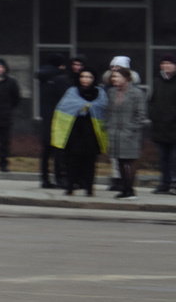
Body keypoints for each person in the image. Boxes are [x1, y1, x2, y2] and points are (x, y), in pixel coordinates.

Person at [50, 67, 104, 197]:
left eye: (89, 77)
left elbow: (104, 109)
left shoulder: (99, 93)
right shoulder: (72, 92)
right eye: (83, 77)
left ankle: (89, 188)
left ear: (94, 79)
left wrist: (90, 108)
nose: (85, 80)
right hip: (74, 130)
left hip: (92, 132)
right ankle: (70, 187)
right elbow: (63, 109)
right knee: (72, 161)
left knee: (90, 162)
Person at [36, 54, 83, 190]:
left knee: (46, 150)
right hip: (59, 118)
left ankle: (45, 179)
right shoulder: (61, 79)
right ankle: (60, 178)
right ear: (61, 66)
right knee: (59, 150)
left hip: (46, 117)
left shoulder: (44, 78)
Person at [101, 63, 147, 200]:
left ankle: (130, 189)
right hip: (115, 132)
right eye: (113, 77)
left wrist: (132, 128)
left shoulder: (137, 93)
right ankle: (124, 189)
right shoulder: (111, 92)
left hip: (130, 133)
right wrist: (108, 125)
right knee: (119, 161)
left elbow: (141, 114)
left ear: (126, 78)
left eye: (117, 76)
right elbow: (108, 111)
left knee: (129, 161)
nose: (114, 79)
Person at [150, 56, 176, 196]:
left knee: (174, 159)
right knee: (163, 159)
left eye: (169, 63)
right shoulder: (157, 81)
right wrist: (153, 117)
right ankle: (164, 183)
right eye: (164, 63)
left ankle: (174, 184)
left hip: (174, 128)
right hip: (160, 128)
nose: (166, 66)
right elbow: (152, 102)